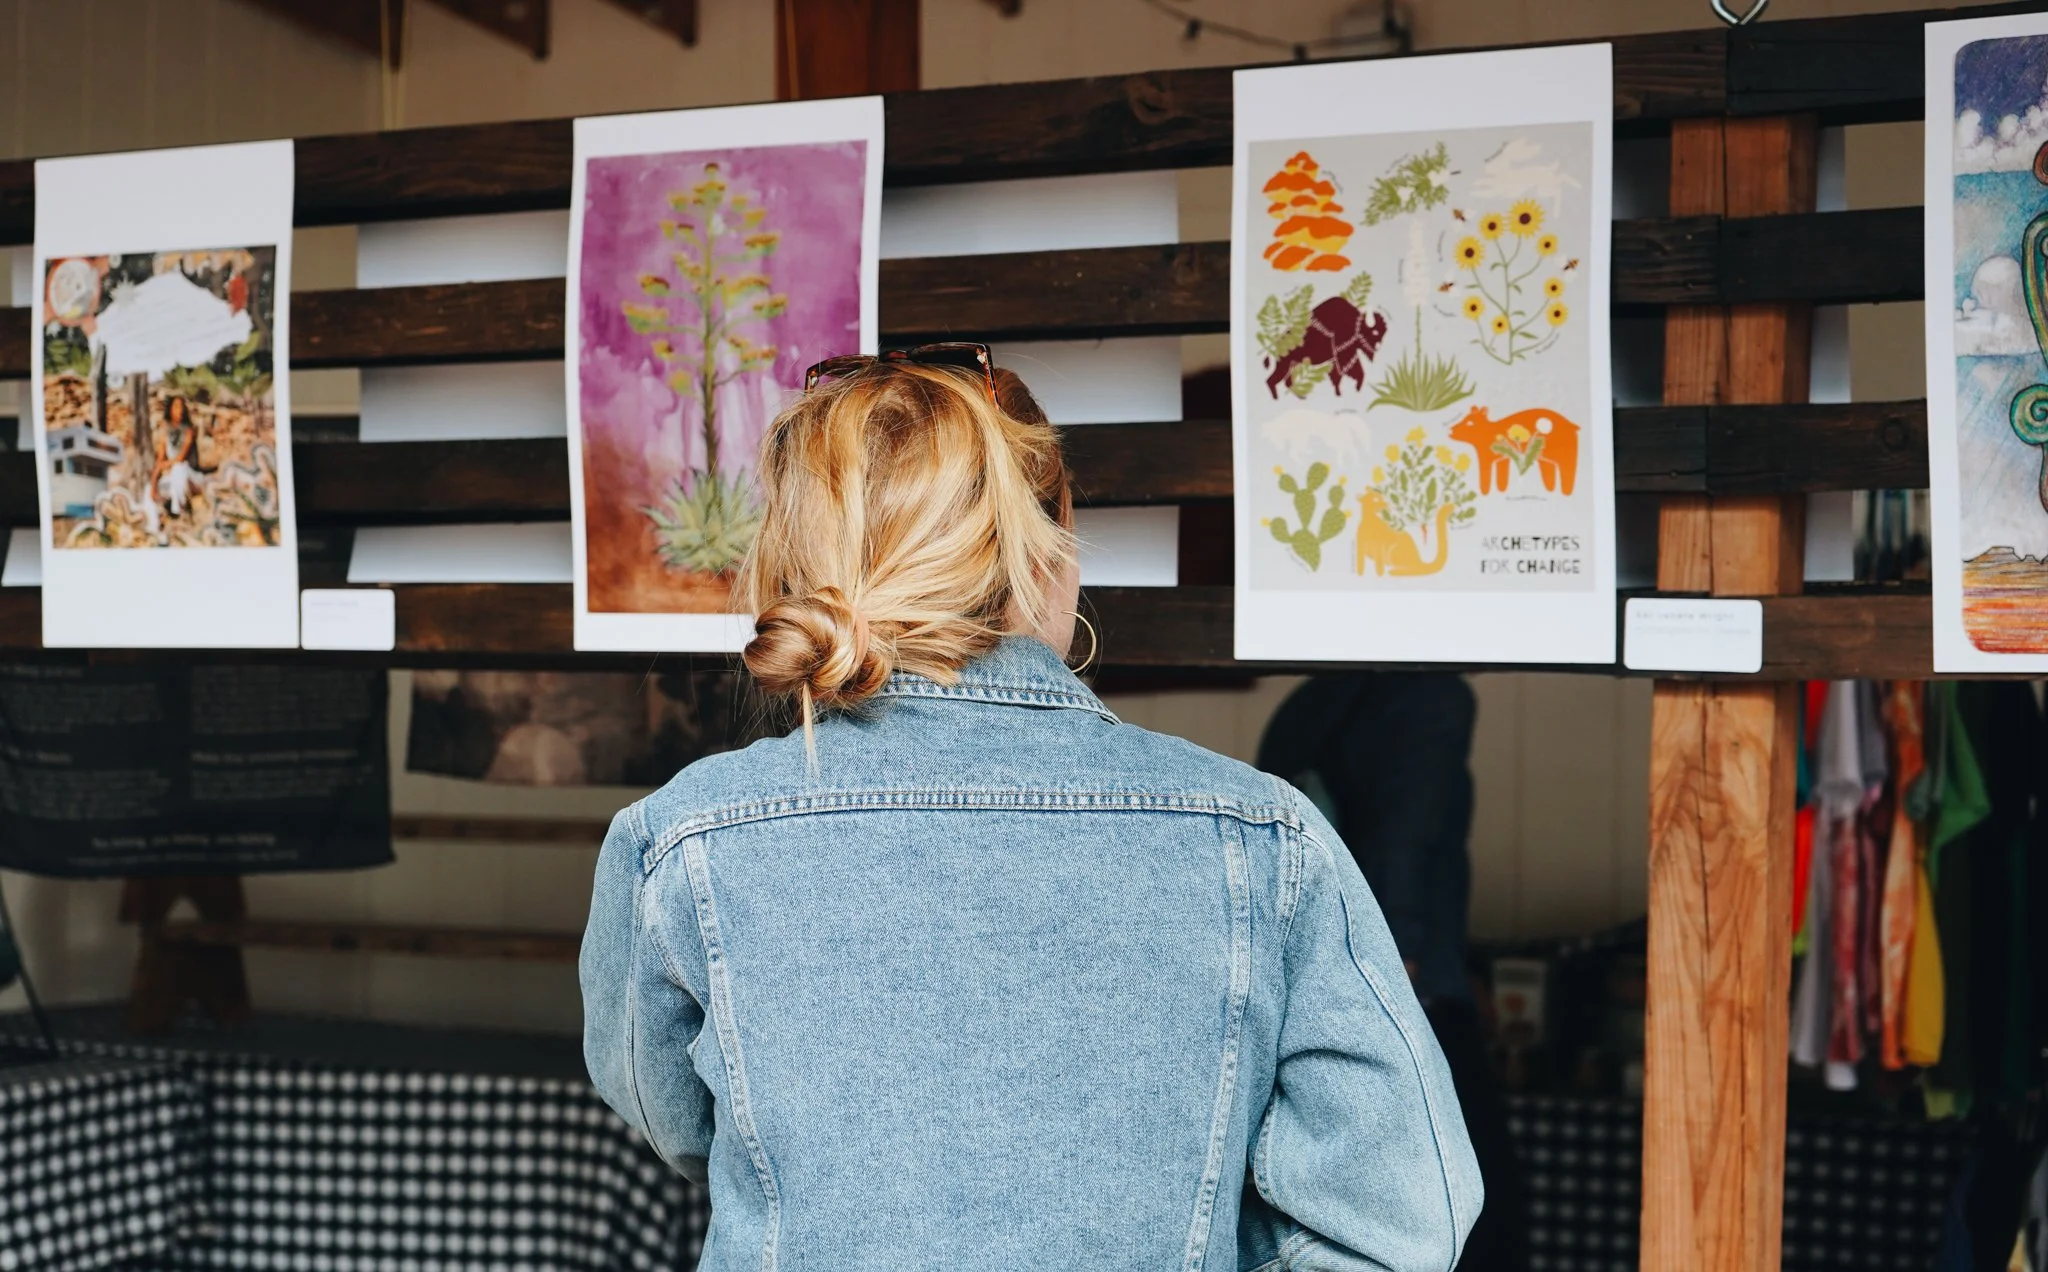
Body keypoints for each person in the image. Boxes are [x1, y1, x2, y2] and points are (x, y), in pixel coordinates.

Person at [580, 346, 1481, 1271]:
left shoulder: (682, 840)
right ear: (1049, 552)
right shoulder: (1264, 839)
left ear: (800, 566)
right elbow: (1404, 1218)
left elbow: (674, 1119)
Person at [1259, 674, 1529, 1271]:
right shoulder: (1430, 694)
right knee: (1464, 1210)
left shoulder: (1313, 703)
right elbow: (1412, 830)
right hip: (1402, 984)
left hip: (1315, 974)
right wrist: (1401, 964)